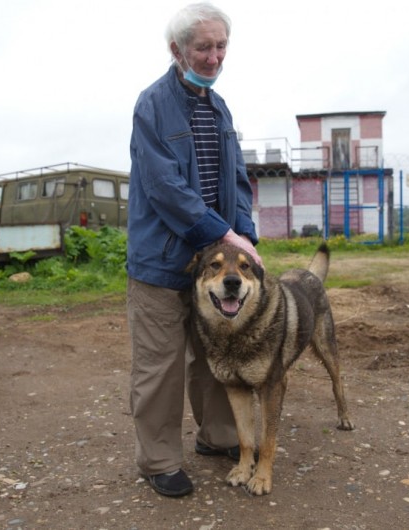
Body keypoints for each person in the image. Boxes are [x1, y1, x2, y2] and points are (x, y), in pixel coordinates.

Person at [126, 2, 262, 498]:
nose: (213, 57)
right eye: (203, 47)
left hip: (215, 262)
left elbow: (238, 180)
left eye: (221, 46)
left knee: (214, 355)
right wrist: (223, 234)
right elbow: (164, 187)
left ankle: (219, 437)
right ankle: (160, 460)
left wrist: (244, 232)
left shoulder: (218, 106)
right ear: (177, 50)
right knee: (159, 365)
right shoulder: (152, 104)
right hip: (161, 262)